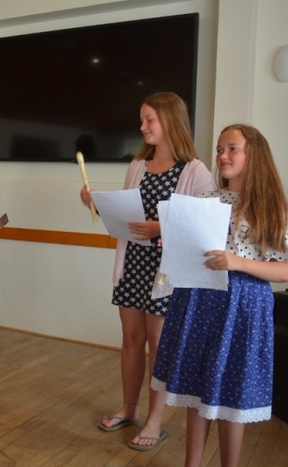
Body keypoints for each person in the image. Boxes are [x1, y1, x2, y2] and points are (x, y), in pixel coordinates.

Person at [152, 124, 288, 467]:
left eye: (232, 149)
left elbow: (286, 271)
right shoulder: (205, 201)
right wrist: (175, 243)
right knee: (196, 390)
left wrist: (238, 262)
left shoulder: (271, 209)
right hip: (198, 301)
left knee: (230, 395)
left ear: (254, 155)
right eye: (220, 149)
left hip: (242, 307)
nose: (222, 156)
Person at [80, 92, 215, 450]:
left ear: (170, 120)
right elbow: (128, 215)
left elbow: (206, 227)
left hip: (166, 273)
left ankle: (155, 420)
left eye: (149, 119)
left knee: (159, 346)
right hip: (133, 265)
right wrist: (97, 203)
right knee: (130, 340)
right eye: (142, 119)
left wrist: (161, 226)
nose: (142, 126)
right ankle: (130, 408)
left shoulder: (195, 171)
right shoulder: (138, 165)